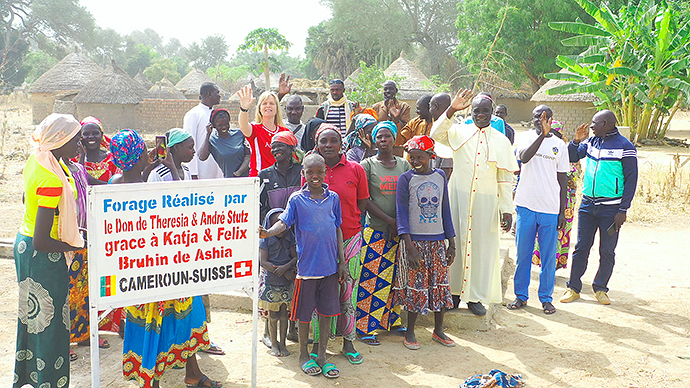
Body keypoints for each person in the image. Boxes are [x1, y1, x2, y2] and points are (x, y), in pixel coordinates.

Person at [109, 129, 222, 388]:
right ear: (138, 156)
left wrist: (146, 168)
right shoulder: (152, 188)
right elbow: (181, 207)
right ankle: (167, 378)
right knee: (177, 320)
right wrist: (167, 169)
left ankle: (184, 374)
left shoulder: (115, 184)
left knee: (160, 324)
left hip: (140, 272)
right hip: (162, 270)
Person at [430, 90, 519, 316]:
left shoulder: (501, 140)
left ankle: (475, 297)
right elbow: (435, 133)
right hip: (457, 198)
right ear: (471, 112)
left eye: (485, 111)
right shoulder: (458, 131)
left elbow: (505, 178)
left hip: (486, 202)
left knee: (481, 247)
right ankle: (454, 294)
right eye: (476, 111)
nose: (481, 115)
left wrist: (506, 210)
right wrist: (451, 109)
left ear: (492, 113)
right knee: (455, 245)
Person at [259, 153, 347, 379]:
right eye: (310, 172)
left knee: (327, 313)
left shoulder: (333, 198)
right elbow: (284, 223)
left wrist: (342, 261)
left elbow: (337, 229)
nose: (315, 176)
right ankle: (303, 355)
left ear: (326, 173)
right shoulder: (297, 199)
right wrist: (268, 232)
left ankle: (322, 357)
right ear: (303, 174)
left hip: (329, 268)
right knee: (304, 315)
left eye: (319, 172)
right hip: (307, 269)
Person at [14, 113, 84, 388]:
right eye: (75, 140)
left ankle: (31, 378)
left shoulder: (40, 161)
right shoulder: (51, 179)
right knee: (50, 324)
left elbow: (26, 201)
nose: (79, 145)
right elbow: (42, 241)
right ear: (60, 140)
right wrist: (74, 245)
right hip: (41, 254)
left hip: (28, 243)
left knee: (33, 320)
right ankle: (49, 382)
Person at [560, 110, 638, 305]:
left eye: (594, 123)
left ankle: (601, 289)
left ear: (606, 123)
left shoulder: (624, 147)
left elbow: (631, 181)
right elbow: (572, 156)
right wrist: (576, 141)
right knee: (581, 248)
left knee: (607, 251)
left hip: (611, 209)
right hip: (587, 205)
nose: (591, 126)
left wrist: (623, 210)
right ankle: (573, 288)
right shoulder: (591, 142)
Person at [310, 124, 369, 365]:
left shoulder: (356, 169)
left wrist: (351, 225)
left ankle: (348, 342)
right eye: (323, 141)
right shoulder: (312, 170)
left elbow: (363, 204)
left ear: (341, 144)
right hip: (319, 243)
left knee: (348, 292)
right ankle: (317, 343)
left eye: (333, 140)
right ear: (317, 144)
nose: (328, 145)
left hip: (351, 239)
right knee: (317, 293)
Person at [395, 135, 456, 350]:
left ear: (431, 156)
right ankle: (410, 332)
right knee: (416, 286)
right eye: (412, 157)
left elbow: (445, 210)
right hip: (415, 244)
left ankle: (439, 331)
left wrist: (452, 243)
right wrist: (409, 247)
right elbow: (401, 214)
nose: (415, 161)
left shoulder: (440, 176)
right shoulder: (406, 179)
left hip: (438, 242)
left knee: (440, 286)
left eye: (420, 157)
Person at [508, 105, 569, 315]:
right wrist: (541, 136)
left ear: (550, 119)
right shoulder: (525, 138)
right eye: (535, 116)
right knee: (523, 254)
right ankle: (520, 296)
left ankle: (546, 298)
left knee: (548, 256)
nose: (538, 120)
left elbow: (563, 180)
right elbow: (523, 158)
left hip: (550, 208)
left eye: (543, 117)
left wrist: (562, 211)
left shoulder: (560, 145)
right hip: (526, 205)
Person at [356, 121, 411, 345]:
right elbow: (365, 200)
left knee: (395, 278)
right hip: (376, 231)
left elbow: (408, 196)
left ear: (394, 139)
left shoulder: (404, 165)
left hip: (399, 233)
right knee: (371, 280)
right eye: (379, 137)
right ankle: (364, 328)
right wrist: (389, 221)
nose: (383, 140)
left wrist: (399, 225)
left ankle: (391, 322)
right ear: (374, 140)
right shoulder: (367, 165)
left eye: (387, 136)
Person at [257, 130, 303, 346]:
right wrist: (265, 234)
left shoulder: (301, 172)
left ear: (292, 149)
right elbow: (261, 207)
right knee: (271, 287)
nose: (276, 150)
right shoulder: (264, 175)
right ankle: (268, 332)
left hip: (297, 236)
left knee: (293, 286)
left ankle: (292, 330)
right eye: (273, 146)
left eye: (281, 146)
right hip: (273, 237)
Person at [533, 120, 581, 270]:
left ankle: (553, 266)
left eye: (555, 134)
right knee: (544, 233)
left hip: (566, 201)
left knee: (561, 233)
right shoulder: (541, 151)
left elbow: (576, 174)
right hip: (547, 198)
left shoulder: (566, 151)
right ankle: (544, 264)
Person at [259, 209, 297, 357]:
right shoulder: (266, 239)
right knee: (273, 315)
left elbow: (295, 257)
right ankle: (274, 344)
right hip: (273, 281)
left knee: (284, 315)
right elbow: (263, 262)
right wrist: (280, 271)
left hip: (286, 282)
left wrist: (286, 268)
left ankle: (283, 344)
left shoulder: (290, 237)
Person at [238, 85, 290, 177]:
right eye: (264, 103)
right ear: (259, 108)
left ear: (277, 108)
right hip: (259, 178)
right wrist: (244, 109)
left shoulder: (285, 132)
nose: (268, 106)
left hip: (280, 179)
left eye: (271, 103)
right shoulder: (255, 129)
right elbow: (243, 126)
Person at [184, 82, 223, 180]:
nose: (219, 95)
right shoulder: (193, 114)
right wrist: (193, 172)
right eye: (217, 92)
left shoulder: (217, 114)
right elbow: (188, 144)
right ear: (209, 94)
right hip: (201, 169)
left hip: (216, 167)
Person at [198, 108, 251, 178]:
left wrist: (238, 172)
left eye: (226, 124)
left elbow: (249, 155)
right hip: (229, 179)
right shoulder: (212, 140)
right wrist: (208, 134)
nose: (224, 127)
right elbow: (202, 157)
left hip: (247, 177)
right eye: (220, 125)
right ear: (213, 125)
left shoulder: (239, 134)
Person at [76, 116, 121, 182]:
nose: (91, 137)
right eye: (86, 134)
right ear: (80, 137)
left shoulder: (113, 159)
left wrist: (92, 180)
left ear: (102, 135)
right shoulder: (74, 161)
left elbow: (119, 187)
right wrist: (82, 156)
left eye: (95, 133)